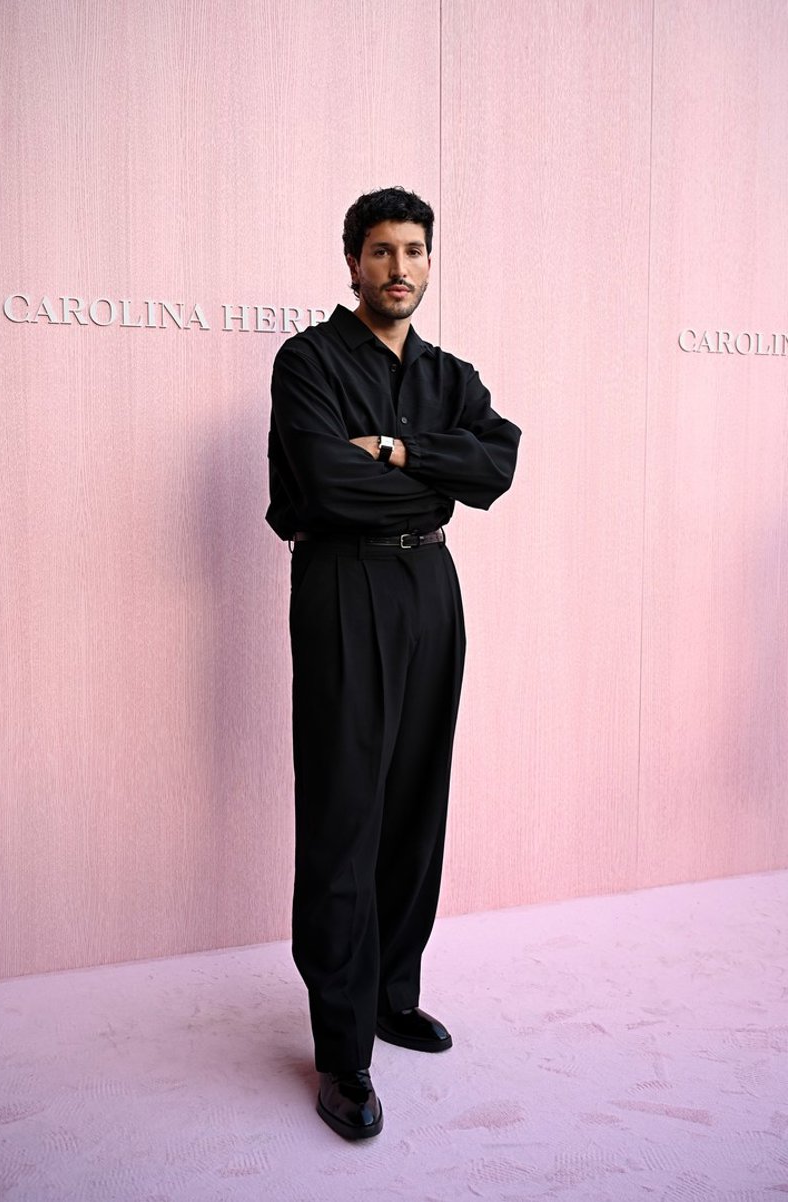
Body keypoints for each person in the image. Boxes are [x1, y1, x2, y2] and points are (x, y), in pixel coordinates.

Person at [266, 187, 520, 1140]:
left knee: (416, 800)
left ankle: (390, 995)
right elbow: (329, 486)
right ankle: (342, 1053)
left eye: (413, 251)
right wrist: (434, 478)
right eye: (381, 251)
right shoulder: (308, 362)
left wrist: (403, 453)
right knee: (345, 810)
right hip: (343, 587)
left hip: (431, 592)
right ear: (353, 262)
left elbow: (497, 466)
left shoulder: (451, 375)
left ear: (429, 262)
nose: (398, 267)